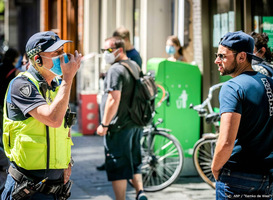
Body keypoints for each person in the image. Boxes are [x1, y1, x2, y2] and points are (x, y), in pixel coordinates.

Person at [1, 31, 82, 200]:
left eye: (62, 51)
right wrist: (68, 79)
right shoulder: (22, 84)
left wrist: (67, 161)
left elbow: (64, 126)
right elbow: (52, 119)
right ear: (37, 59)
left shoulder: (57, 85)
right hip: (27, 188)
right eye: (56, 53)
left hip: (56, 187)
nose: (63, 57)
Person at [211, 31, 273, 199]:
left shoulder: (232, 87)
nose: (217, 60)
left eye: (222, 56)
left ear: (242, 57)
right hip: (267, 176)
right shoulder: (269, 81)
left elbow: (226, 142)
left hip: (237, 176)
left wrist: (216, 168)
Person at [96, 36, 147, 200]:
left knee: (118, 165)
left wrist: (104, 124)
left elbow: (113, 99)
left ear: (119, 50)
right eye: (104, 50)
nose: (105, 54)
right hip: (136, 123)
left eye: (108, 50)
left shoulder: (116, 69)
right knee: (133, 160)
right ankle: (140, 192)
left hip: (119, 125)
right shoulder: (134, 65)